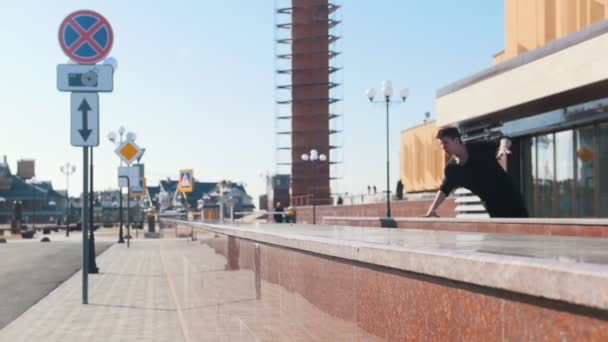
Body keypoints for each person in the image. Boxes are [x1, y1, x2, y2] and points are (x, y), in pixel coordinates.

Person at [423, 127, 528, 218]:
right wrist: (432, 210)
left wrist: (503, 146)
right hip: (492, 205)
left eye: (445, 142)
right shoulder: (452, 170)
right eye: (441, 144)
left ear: (456, 140)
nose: (443, 147)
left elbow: (504, 139)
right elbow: (444, 189)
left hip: (511, 197)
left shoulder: (478, 148)